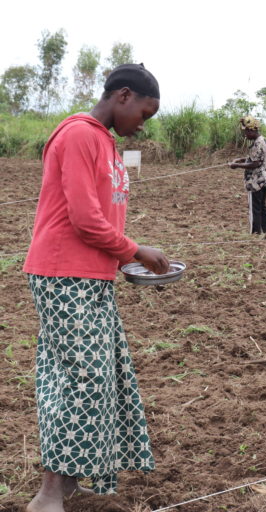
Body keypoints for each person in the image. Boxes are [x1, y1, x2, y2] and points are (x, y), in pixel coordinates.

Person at [23, 63, 170, 512]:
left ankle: (66, 485)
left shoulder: (105, 142)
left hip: (89, 275)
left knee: (101, 377)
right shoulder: (79, 135)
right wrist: (136, 252)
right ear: (122, 96)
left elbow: (101, 215)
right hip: (64, 273)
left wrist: (122, 257)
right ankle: (48, 494)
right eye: (144, 114)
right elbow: (85, 220)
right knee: (81, 379)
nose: (142, 126)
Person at [229, 116, 266, 238]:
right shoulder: (262, 140)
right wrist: (240, 159)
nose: (245, 134)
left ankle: (255, 234)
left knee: (255, 209)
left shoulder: (258, 143)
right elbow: (255, 158)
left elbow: (255, 163)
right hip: (265, 178)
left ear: (252, 130)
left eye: (246, 131)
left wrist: (236, 165)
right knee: (261, 206)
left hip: (256, 181)